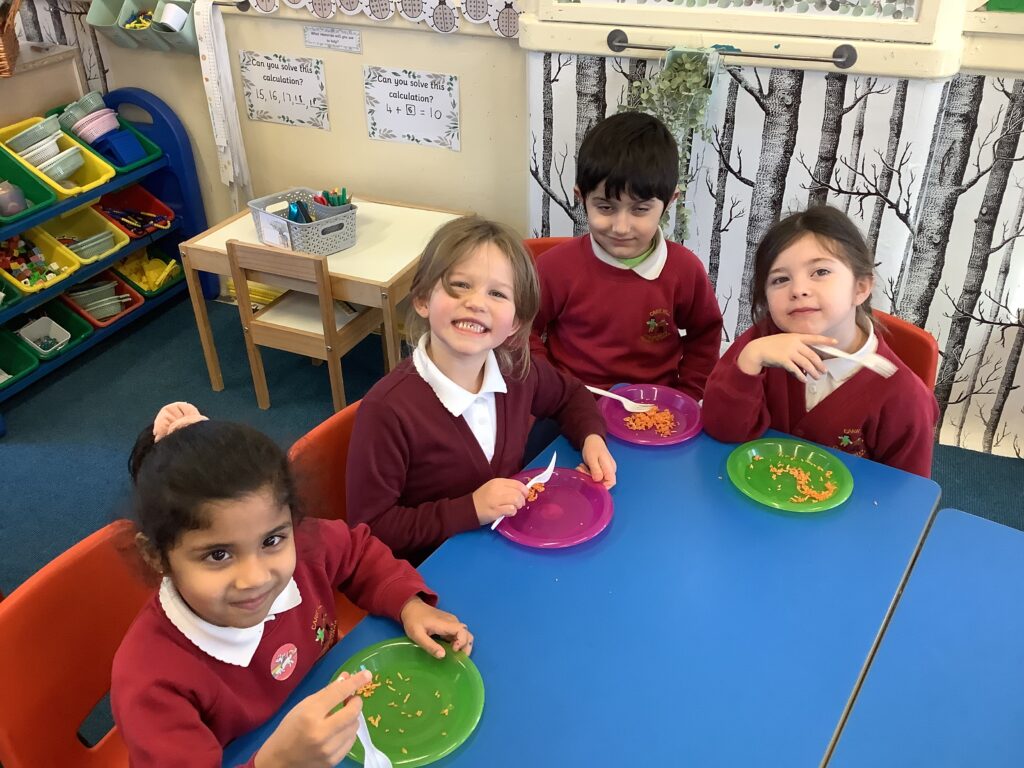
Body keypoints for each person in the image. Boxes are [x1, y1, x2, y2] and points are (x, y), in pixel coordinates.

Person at [112, 403, 473, 767]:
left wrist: (409, 603)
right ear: (157, 556)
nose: (255, 578)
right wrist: (278, 763)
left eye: (271, 541)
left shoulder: (306, 545)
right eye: (218, 555)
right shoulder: (151, 681)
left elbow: (357, 552)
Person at [347, 216, 616, 564]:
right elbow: (371, 528)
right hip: (436, 571)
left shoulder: (517, 370)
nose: (477, 302)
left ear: (516, 322)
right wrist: (470, 508)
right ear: (423, 299)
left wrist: (591, 436)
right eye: (459, 285)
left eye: (497, 293)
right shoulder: (388, 411)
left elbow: (569, 395)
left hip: (510, 545)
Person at [702, 206, 939, 477]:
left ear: (860, 288)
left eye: (820, 272)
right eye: (780, 279)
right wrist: (749, 360)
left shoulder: (905, 397)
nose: (799, 289)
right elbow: (722, 430)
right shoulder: (761, 341)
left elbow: (906, 498)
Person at [529, 111, 723, 401]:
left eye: (640, 210)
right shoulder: (553, 268)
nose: (621, 228)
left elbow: (705, 336)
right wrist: (550, 384)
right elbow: (521, 329)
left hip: (655, 407)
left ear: (670, 201)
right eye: (605, 208)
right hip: (568, 405)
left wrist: (687, 395)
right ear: (581, 198)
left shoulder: (684, 270)